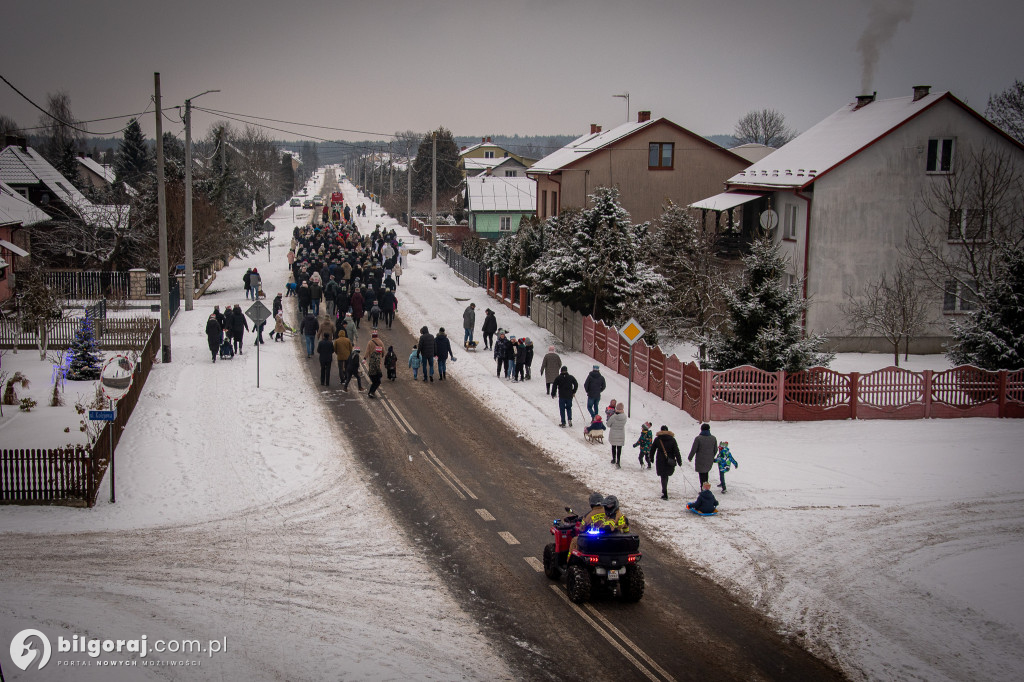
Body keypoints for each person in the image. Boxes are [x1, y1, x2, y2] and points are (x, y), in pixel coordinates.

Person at [652, 425, 683, 500]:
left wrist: (651, 457)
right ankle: (664, 489)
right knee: (666, 475)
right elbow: (676, 451)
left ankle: (664, 491)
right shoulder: (672, 439)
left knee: (663, 475)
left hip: (660, 459)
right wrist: (679, 461)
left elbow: (652, 449)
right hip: (670, 459)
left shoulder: (658, 439)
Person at [687, 423, 718, 488]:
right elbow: (715, 449)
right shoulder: (713, 438)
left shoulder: (698, 438)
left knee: (701, 474)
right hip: (709, 460)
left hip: (700, 459)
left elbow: (694, 449)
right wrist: (711, 456)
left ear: (701, 429)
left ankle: (703, 488)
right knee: (706, 473)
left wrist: (690, 457)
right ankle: (706, 487)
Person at [606, 402, 628, 468]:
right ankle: (618, 461)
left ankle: (614, 459)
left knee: (613, 446)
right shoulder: (624, 417)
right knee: (619, 448)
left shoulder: (613, 417)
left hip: (613, 433)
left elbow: (608, 424)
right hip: (621, 434)